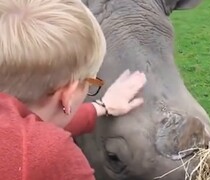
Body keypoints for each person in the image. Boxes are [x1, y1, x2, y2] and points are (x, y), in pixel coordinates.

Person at [0, 0, 146, 179]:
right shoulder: (56, 156)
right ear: (68, 94)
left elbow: (24, 124)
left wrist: (102, 106)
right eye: (90, 82)